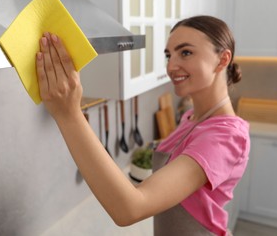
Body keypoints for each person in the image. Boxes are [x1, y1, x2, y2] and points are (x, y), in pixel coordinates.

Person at [35, 15, 250, 236]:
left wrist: (68, 113)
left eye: (186, 52)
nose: (171, 66)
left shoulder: (226, 136)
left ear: (223, 59)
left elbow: (130, 209)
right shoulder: (192, 118)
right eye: (169, 55)